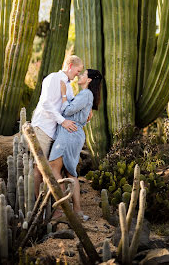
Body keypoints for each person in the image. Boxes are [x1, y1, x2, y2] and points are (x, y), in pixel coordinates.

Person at [49, 68, 102, 220]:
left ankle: (60, 209)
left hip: (69, 134)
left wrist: (64, 94)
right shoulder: (87, 95)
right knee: (70, 173)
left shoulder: (86, 94)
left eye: (83, 74)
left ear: (89, 80)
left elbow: (68, 111)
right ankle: (77, 212)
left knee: (54, 166)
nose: (80, 75)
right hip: (74, 133)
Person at [31, 55, 84, 197]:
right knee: (38, 167)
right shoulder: (53, 78)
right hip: (42, 127)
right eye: (78, 71)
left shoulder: (68, 86)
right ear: (71, 66)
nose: (78, 75)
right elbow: (45, 103)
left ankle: (48, 204)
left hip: (54, 132)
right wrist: (63, 122)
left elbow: (70, 107)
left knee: (49, 169)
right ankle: (37, 205)